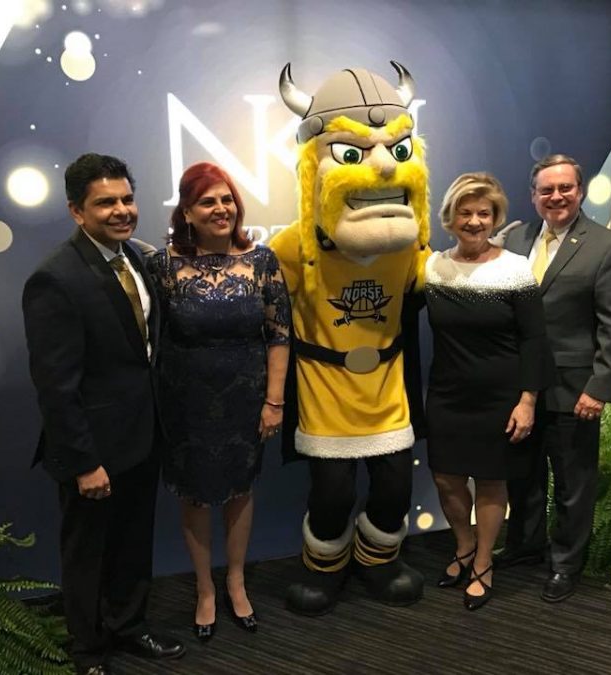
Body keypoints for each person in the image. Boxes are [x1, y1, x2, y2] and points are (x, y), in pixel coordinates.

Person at [270, 62, 431, 615]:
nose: (382, 170)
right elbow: (263, 310)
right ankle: (325, 567)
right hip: (324, 391)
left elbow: (443, 278)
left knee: (394, 489)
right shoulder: (294, 246)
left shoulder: (409, 246)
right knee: (332, 493)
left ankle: (378, 560)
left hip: (387, 391)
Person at [22, 153, 185, 675]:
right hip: (93, 450)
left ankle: (130, 627)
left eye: (126, 199)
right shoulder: (56, 279)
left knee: (134, 543)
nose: (121, 210)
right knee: (88, 553)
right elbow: (56, 385)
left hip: (141, 438)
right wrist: (83, 462)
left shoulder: (134, 258)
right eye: (105, 203)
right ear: (76, 211)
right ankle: (88, 651)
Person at [147, 162, 291, 641]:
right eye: (208, 201)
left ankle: (236, 580)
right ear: (187, 211)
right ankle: (205, 590)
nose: (221, 208)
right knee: (194, 495)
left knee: (239, 491)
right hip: (184, 403)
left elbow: (278, 335)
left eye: (227, 198)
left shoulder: (262, 261)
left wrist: (274, 402)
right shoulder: (162, 266)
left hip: (246, 401)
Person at [499, 155, 611, 603]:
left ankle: (565, 564)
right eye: (546, 190)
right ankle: (524, 545)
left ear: (580, 191)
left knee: (573, 484)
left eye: (565, 188)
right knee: (523, 477)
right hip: (520, 387)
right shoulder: (514, 239)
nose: (555, 197)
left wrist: (599, 387)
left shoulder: (608, 246)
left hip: (573, 388)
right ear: (533, 195)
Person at [424, 173, 553, 611]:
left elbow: (535, 340)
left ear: (495, 217)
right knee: (445, 478)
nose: (475, 221)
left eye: (484, 213)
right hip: (446, 395)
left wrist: (528, 400)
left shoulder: (515, 269)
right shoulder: (434, 267)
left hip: (500, 398)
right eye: (466, 212)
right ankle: (462, 545)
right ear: (451, 218)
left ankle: (483, 562)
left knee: (491, 482)